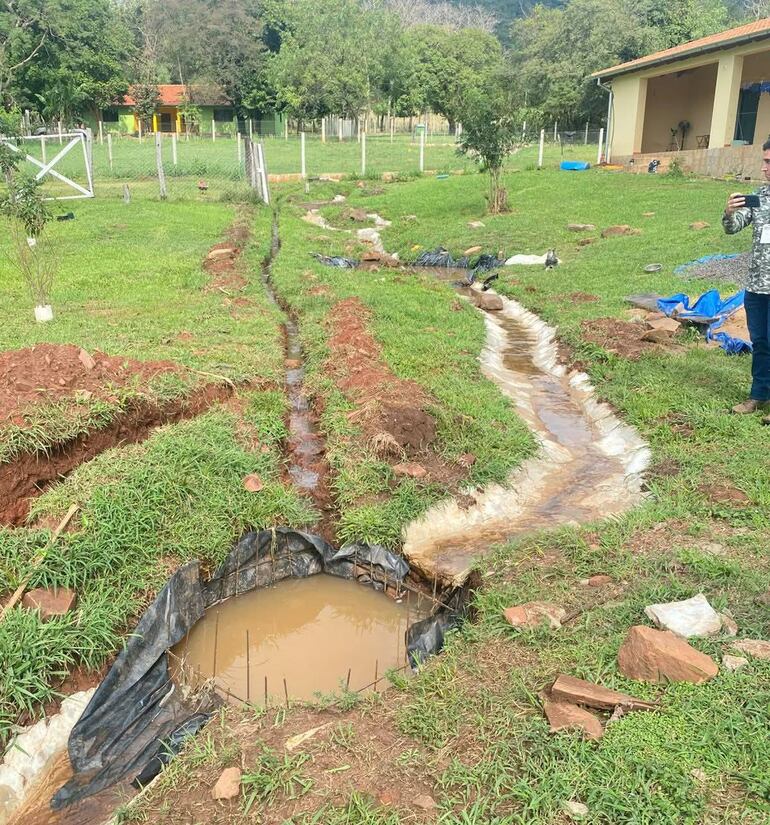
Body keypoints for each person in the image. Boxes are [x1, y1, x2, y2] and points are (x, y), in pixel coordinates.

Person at [723, 139, 770, 424]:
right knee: (761, 341)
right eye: (765, 161)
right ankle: (759, 394)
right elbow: (733, 228)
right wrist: (729, 212)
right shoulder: (759, 197)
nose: (766, 167)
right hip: (757, 287)